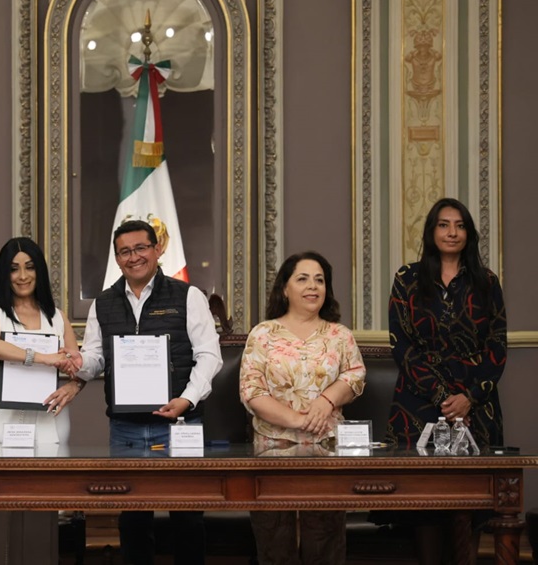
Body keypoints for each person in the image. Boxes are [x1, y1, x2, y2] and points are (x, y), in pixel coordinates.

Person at [72, 219, 223, 565]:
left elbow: (209, 355)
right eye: (124, 251)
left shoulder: (188, 296)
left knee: (187, 518)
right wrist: (76, 363)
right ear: (117, 258)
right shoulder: (103, 304)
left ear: (157, 249)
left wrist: (187, 399)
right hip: (125, 428)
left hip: (180, 425)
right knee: (133, 521)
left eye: (141, 248)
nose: (134, 257)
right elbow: (95, 359)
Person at [383, 197, 506, 564]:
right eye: (443, 224)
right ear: (431, 232)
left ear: (469, 233)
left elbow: (497, 346)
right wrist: (441, 397)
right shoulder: (407, 278)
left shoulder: (487, 282)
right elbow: (401, 344)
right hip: (418, 402)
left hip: (476, 404)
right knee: (424, 499)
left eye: (460, 225)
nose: (452, 232)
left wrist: (468, 398)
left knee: (472, 498)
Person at [239, 251, 366, 565]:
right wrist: (297, 420)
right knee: (274, 542)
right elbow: (251, 391)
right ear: (285, 288)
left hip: (326, 449)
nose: (313, 286)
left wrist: (326, 401)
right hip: (271, 450)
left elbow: (355, 375)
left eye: (319, 280)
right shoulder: (262, 334)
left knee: (325, 543)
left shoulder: (340, 335)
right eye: (303, 279)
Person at [0, 237, 82, 564]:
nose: (22, 276)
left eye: (29, 267)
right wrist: (43, 358)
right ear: (3, 274)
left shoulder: (57, 317)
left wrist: (73, 380)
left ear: (40, 271)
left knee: (40, 516)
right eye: (14, 269)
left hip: (46, 421)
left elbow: (77, 363)